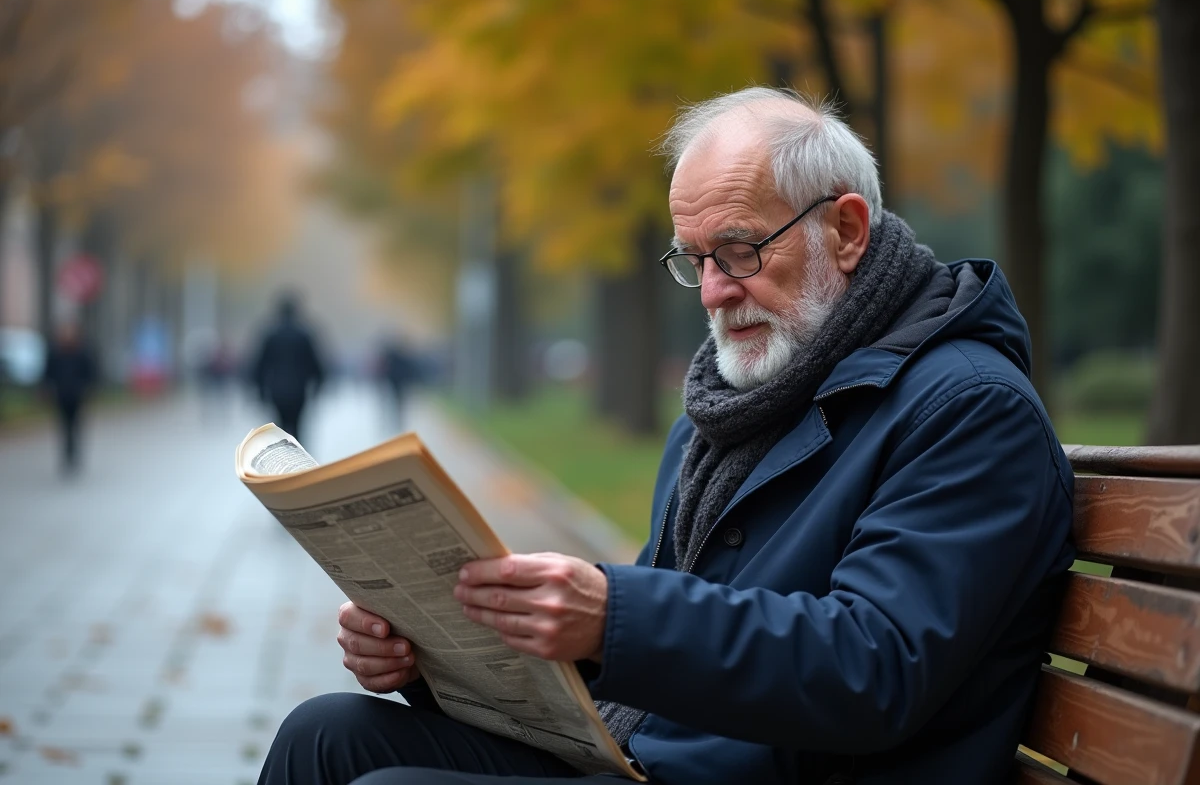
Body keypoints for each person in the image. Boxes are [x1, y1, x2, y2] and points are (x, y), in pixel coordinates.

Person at [259, 88, 1074, 785]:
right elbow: (657, 643)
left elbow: (876, 668)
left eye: (740, 249)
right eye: (695, 259)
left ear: (848, 231)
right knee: (324, 735)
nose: (715, 292)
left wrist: (615, 617)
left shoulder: (968, 409)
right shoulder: (737, 406)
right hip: (662, 753)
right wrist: (436, 652)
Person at [251, 294, 326, 443]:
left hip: (276, 390)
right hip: (299, 390)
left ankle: (284, 458)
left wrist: (260, 391)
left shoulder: (270, 334)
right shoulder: (304, 334)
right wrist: (317, 387)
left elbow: (260, 364)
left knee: (279, 426)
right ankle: (299, 460)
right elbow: (315, 364)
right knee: (298, 427)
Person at [41, 322, 97, 475]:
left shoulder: (82, 352)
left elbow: (91, 372)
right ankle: (66, 453)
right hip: (60, 395)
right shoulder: (55, 352)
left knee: (75, 425)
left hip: (77, 396)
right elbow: (48, 372)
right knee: (64, 426)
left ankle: (74, 453)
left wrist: (87, 389)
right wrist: (45, 389)